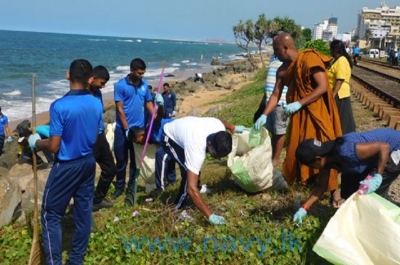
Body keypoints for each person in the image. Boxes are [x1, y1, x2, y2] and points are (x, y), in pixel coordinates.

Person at [253, 33, 343, 206]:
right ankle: (304, 183)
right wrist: (264, 114)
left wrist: (299, 103)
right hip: (300, 116)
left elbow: (323, 87)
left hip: (318, 113)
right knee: (299, 148)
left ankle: (334, 192)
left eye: (276, 49)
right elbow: (275, 95)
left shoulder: (309, 59)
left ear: (286, 48)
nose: (275, 53)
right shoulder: (282, 69)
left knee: (326, 149)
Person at [28, 59, 103, 264]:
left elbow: (53, 146)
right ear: (90, 79)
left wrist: (37, 143)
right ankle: (76, 260)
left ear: (67, 75)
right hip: (88, 162)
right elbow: (96, 135)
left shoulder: (59, 106)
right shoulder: (96, 103)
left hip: (67, 165)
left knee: (50, 214)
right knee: (83, 212)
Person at [293, 128, 400, 225]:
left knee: (375, 195)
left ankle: (393, 217)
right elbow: (321, 186)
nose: (313, 168)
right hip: (374, 157)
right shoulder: (326, 159)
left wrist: (377, 176)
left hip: (394, 150)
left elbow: (384, 147)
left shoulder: (347, 150)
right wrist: (304, 208)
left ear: (318, 159)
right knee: (349, 194)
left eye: (311, 165)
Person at [155, 116, 246, 225]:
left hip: (186, 129)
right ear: (209, 144)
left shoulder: (219, 127)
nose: (219, 159)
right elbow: (191, 189)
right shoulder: (196, 150)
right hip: (169, 136)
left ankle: (198, 187)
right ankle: (178, 209)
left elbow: (220, 120)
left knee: (193, 169)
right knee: (187, 173)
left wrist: (232, 127)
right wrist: (210, 215)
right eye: (216, 155)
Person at [113, 58, 163, 199]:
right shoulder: (120, 86)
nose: (142, 76)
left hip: (139, 129)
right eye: (139, 73)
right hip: (123, 129)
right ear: (132, 70)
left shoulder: (144, 84)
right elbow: (120, 109)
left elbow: (147, 102)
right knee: (121, 159)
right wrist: (126, 128)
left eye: (143, 73)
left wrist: (154, 114)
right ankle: (119, 187)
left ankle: (132, 184)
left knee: (135, 160)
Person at [87, 65, 116, 211]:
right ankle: (85, 207)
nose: (103, 87)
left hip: (100, 136)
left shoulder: (97, 93)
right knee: (87, 175)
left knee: (110, 169)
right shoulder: (82, 94)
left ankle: (97, 200)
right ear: (93, 78)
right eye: (101, 83)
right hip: (88, 139)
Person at [254, 54, 289, 168]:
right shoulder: (273, 58)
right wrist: (264, 100)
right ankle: (270, 155)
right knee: (271, 130)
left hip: (281, 101)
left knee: (279, 131)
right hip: (269, 101)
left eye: (277, 46)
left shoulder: (287, 60)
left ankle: (275, 160)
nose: (275, 48)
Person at [328, 40, 356, 134]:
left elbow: (340, 80)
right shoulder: (338, 60)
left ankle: (345, 136)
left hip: (340, 93)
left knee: (342, 117)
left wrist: (333, 94)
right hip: (339, 93)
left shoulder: (341, 60)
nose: (330, 51)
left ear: (335, 50)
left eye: (331, 49)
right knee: (341, 116)